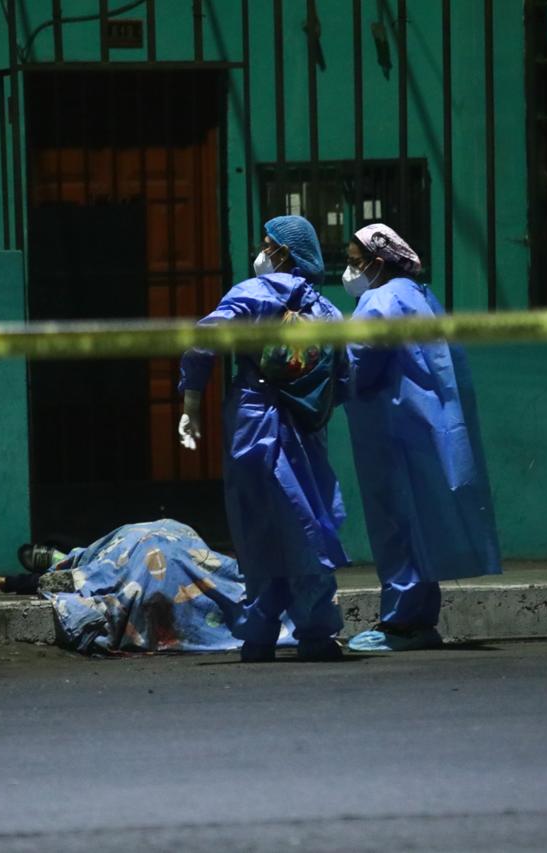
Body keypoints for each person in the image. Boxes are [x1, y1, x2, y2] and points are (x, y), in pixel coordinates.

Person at [178, 215, 349, 663]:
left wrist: (191, 403)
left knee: (255, 526)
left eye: (266, 245)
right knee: (306, 521)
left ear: (280, 253)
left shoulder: (251, 294)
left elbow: (204, 340)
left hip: (252, 420)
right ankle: (315, 631)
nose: (260, 251)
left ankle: (259, 634)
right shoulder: (326, 310)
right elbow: (343, 376)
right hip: (305, 427)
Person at [339, 223, 502, 652]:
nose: (349, 271)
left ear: (377, 263)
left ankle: (401, 624)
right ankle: (419, 618)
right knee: (419, 520)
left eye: (355, 262)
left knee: (395, 525)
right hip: (424, 428)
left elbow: (356, 363)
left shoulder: (378, 301)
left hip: (390, 430)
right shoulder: (420, 297)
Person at [0, 519, 289, 654]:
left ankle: (62, 557)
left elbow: (81, 581)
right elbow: (233, 576)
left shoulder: (125, 580)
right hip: (152, 541)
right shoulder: (127, 575)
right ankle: (63, 556)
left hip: (148, 544)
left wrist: (8, 583)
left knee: (92, 563)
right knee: (95, 561)